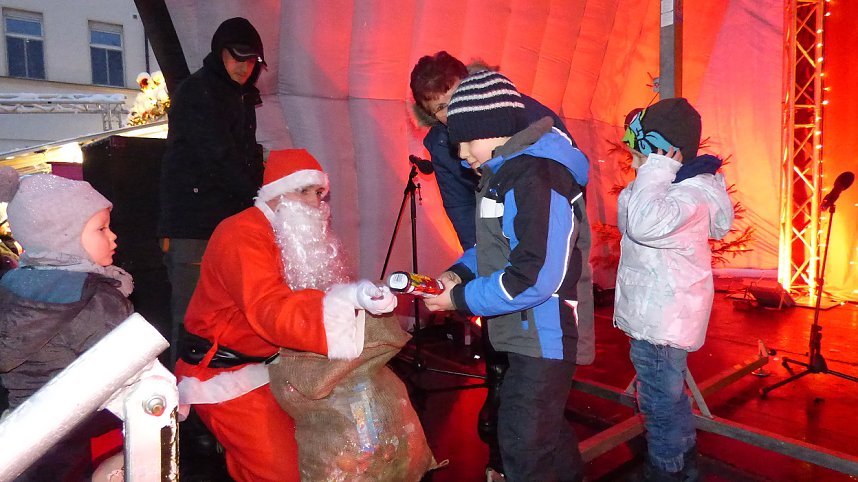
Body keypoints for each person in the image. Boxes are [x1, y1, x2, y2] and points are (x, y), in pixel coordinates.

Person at [410, 51, 595, 480]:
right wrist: (457, 273)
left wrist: (460, 297)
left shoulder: (536, 178)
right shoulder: (503, 177)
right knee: (541, 435)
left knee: (523, 444)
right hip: (523, 331)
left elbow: (532, 276)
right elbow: (495, 250)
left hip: (544, 335)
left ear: (489, 129)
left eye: (464, 141)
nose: (458, 154)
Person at [174, 149, 398, 482]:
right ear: (275, 193)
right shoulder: (242, 232)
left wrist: (358, 299)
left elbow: (306, 298)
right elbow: (269, 309)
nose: (313, 202)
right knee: (284, 472)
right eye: (302, 191)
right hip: (225, 376)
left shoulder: (290, 235)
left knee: (331, 452)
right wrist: (344, 299)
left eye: (318, 193)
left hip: (276, 367)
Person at [614, 98, 734, 481]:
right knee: (669, 396)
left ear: (664, 153)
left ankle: (665, 469)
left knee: (659, 401)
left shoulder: (690, 195)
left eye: (639, 155)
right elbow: (628, 218)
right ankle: (683, 459)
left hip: (662, 323)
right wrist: (653, 173)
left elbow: (644, 224)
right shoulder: (668, 187)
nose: (633, 164)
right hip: (656, 315)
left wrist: (658, 169)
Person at [0, 165, 134, 480]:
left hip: (26, 433)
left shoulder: (13, 288)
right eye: (101, 229)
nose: (113, 236)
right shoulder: (94, 298)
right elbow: (130, 369)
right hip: (90, 431)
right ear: (62, 238)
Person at [159, 16, 268, 362]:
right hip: (194, 227)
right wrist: (259, 198)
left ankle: (211, 400)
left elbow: (244, 159)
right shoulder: (198, 91)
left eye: (252, 60)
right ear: (219, 53)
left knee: (224, 314)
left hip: (226, 224)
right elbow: (218, 157)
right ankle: (183, 407)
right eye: (238, 57)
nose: (245, 66)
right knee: (190, 317)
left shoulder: (240, 97)